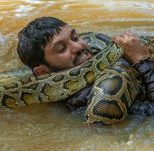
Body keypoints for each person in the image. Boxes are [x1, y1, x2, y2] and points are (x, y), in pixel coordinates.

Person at [17, 16, 154, 123]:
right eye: (61, 48)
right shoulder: (87, 101)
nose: (78, 46)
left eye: (75, 37)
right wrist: (142, 60)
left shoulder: (101, 58)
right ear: (42, 72)